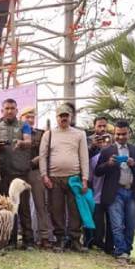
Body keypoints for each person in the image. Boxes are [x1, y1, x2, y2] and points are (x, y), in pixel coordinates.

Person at [39, 103, 89, 253]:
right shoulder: (49, 134)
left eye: (66, 116)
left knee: (75, 210)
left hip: (74, 178)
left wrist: (85, 178)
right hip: (54, 178)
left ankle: (74, 240)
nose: (64, 119)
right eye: (61, 116)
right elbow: (43, 156)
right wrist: (44, 175)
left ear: (71, 117)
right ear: (56, 117)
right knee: (56, 210)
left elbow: (84, 157)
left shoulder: (80, 134)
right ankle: (59, 239)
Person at [95, 119, 135, 261]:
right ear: (114, 133)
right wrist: (109, 164)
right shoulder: (107, 150)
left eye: (124, 134)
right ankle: (121, 251)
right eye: (118, 134)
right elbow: (97, 171)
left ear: (129, 134)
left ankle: (126, 251)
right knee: (116, 224)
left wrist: (133, 164)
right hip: (114, 192)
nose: (121, 137)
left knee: (131, 225)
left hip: (131, 192)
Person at [0, 98, 33, 248]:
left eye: (12, 108)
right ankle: (9, 241)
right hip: (4, 173)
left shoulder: (24, 125)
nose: (10, 111)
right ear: (2, 110)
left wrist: (22, 143)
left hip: (20, 173)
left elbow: (29, 141)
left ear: (17, 110)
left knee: (24, 207)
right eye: (7, 108)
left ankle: (28, 240)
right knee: (7, 209)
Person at [21, 107, 52, 249]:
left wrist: (36, 160)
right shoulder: (16, 131)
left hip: (35, 172)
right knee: (21, 206)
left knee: (41, 205)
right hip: (18, 173)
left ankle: (45, 237)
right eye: (27, 117)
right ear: (21, 117)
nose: (30, 120)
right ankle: (24, 238)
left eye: (32, 117)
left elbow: (46, 152)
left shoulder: (41, 134)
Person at [87, 116, 113, 253]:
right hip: (92, 184)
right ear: (94, 126)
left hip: (108, 185)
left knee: (110, 217)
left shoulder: (111, 140)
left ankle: (109, 246)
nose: (102, 129)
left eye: (104, 126)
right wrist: (93, 147)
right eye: (99, 126)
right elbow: (83, 157)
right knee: (94, 215)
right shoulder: (88, 140)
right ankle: (92, 241)